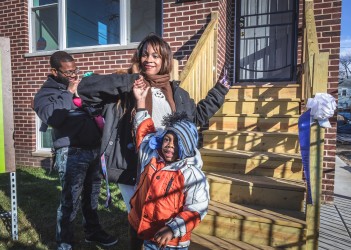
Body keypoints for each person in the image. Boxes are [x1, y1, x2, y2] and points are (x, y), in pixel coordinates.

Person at [77, 33, 230, 249]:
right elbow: (85, 89)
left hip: (168, 166)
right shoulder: (129, 87)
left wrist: (220, 90)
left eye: (156, 55)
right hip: (134, 165)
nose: (149, 59)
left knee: (165, 215)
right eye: (145, 54)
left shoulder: (178, 93)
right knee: (139, 216)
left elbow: (195, 118)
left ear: (165, 60)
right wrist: (131, 80)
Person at [33, 51, 119, 250]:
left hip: (93, 150)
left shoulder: (80, 87)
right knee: (70, 200)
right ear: (54, 71)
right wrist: (70, 91)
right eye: (68, 73)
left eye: (75, 71)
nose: (73, 76)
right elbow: (53, 118)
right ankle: (64, 242)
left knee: (91, 196)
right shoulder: (45, 94)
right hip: (72, 153)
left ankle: (92, 232)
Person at [130, 85, 209, 249]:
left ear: (186, 147)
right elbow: (144, 132)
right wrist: (141, 102)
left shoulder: (191, 174)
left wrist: (173, 229)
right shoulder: (152, 158)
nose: (169, 145)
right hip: (149, 234)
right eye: (167, 139)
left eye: (176, 142)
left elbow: (196, 209)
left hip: (173, 242)